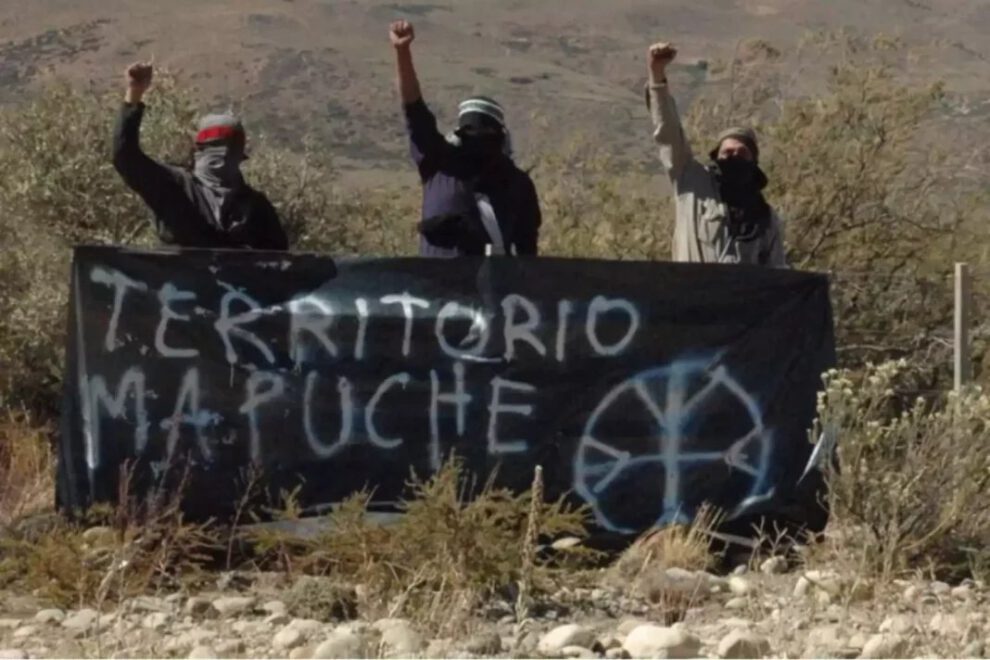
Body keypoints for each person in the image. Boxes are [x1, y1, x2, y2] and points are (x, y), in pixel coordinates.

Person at [390, 20, 541, 257]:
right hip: (441, 291)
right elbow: (413, 108)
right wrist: (402, 52)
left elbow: (527, 253)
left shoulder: (516, 184)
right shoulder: (439, 162)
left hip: (483, 291)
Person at [113, 63, 288, 250]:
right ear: (200, 151)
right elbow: (125, 156)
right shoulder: (172, 187)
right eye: (215, 148)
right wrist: (134, 92)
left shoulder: (257, 208)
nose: (222, 158)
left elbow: (279, 265)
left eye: (230, 150)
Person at [647, 42, 786, 267]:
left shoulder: (765, 218)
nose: (734, 157)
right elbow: (669, 133)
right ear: (716, 156)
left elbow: (777, 275)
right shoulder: (692, 183)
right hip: (691, 298)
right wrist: (656, 74)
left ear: (754, 161)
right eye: (727, 152)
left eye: (742, 152)